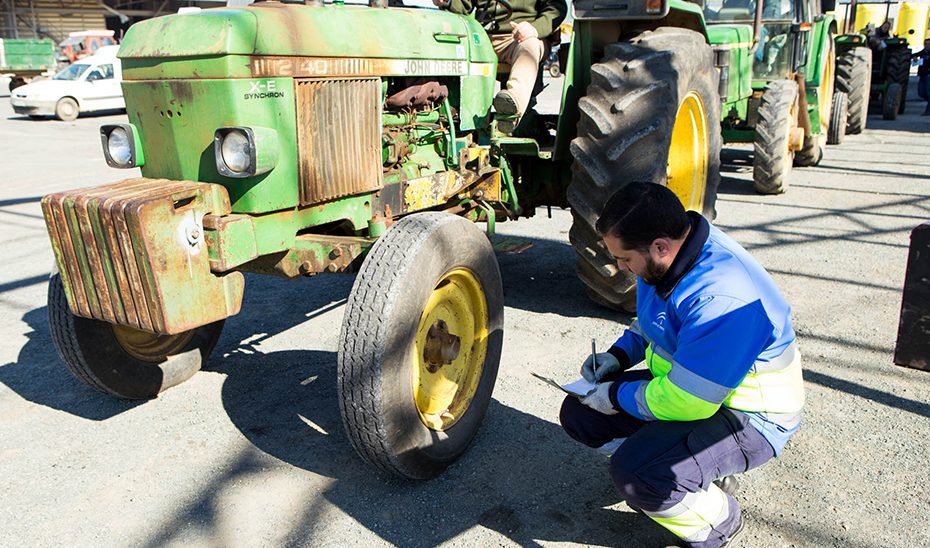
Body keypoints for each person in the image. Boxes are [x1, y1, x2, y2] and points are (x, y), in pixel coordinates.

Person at [559, 182, 805, 548]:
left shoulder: (723, 297)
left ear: (660, 246)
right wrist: (618, 356)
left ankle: (719, 521)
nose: (620, 267)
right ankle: (681, 477)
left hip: (752, 414)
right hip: (702, 389)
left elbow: (689, 401)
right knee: (579, 413)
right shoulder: (666, 260)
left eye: (624, 259)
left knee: (636, 474)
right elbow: (653, 322)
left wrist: (614, 395)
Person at [433, 0, 566, 131]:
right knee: (447, 42)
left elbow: (556, 7)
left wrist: (535, 28)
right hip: (483, 37)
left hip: (521, 38)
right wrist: (447, 2)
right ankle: (442, 112)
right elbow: (463, 5)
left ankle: (511, 108)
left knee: (529, 47)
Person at [913, 37, 930, 116]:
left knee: (928, 93)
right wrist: (914, 57)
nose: (927, 46)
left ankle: (928, 111)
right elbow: (913, 55)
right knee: (921, 93)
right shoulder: (923, 52)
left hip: (928, 75)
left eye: (929, 44)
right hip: (922, 75)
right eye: (925, 44)